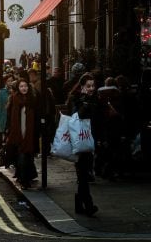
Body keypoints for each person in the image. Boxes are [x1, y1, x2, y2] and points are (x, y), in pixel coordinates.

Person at [66, 73, 100, 216]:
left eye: (93, 86)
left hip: (89, 141)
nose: (91, 88)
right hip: (79, 142)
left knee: (84, 175)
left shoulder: (94, 99)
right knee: (83, 175)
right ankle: (88, 205)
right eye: (88, 86)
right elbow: (75, 117)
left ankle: (79, 204)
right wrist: (85, 102)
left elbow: (98, 121)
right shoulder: (77, 99)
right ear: (82, 87)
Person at [6, 78, 39, 189]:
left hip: (30, 134)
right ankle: (24, 181)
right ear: (18, 88)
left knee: (27, 157)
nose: (24, 88)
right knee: (22, 157)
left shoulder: (32, 99)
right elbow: (10, 118)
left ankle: (25, 178)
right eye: (21, 86)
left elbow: (37, 117)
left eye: (25, 86)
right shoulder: (14, 99)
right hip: (18, 134)